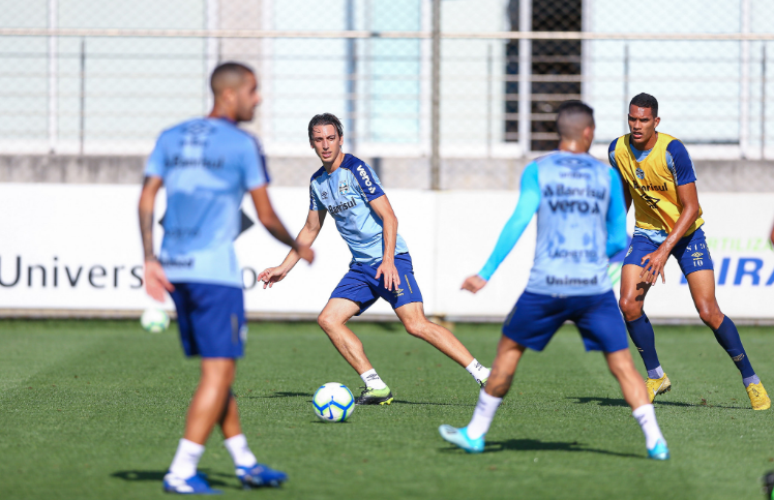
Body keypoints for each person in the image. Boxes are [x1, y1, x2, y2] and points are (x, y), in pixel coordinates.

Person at [438, 101, 669, 460]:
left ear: (559, 133)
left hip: (547, 286)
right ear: (589, 133)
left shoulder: (538, 170)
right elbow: (617, 239)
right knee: (622, 364)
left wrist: (485, 273)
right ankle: (655, 441)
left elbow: (518, 221)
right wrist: (602, 258)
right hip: (592, 288)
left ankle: (476, 433)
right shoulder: (607, 176)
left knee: (508, 355)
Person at [139, 62, 314, 494]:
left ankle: (245, 463)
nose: (258, 99)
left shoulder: (171, 135)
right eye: (254, 91)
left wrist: (149, 258)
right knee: (218, 373)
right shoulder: (242, 144)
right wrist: (300, 247)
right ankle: (181, 470)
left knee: (219, 374)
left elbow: (146, 199)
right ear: (231, 94)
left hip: (175, 268)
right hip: (215, 276)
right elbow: (266, 214)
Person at [257, 113, 490, 406]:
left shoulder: (356, 169)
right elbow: (311, 228)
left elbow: (389, 216)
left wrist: (389, 260)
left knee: (416, 324)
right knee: (329, 319)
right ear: (312, 143)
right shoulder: (317, 182)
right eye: (319, 139)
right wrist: (283, 268)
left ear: (340, 139)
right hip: (361, 268)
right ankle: (376, 386)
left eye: (331, 138)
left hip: (391, 261)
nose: (326, 145)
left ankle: (483, 374)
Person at [609, 93, 769, 410]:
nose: (637, 125)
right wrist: (614, 236)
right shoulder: (617, 150)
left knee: (708, 311)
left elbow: (692, 207)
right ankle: (655, 375)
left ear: (656, 121)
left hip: (686, 234)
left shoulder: (673, 150)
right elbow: (624, 195)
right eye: (632, 118)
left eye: (644, 120)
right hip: (646, 235)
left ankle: (751, 380)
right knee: (628, 305)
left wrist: (664, 250)